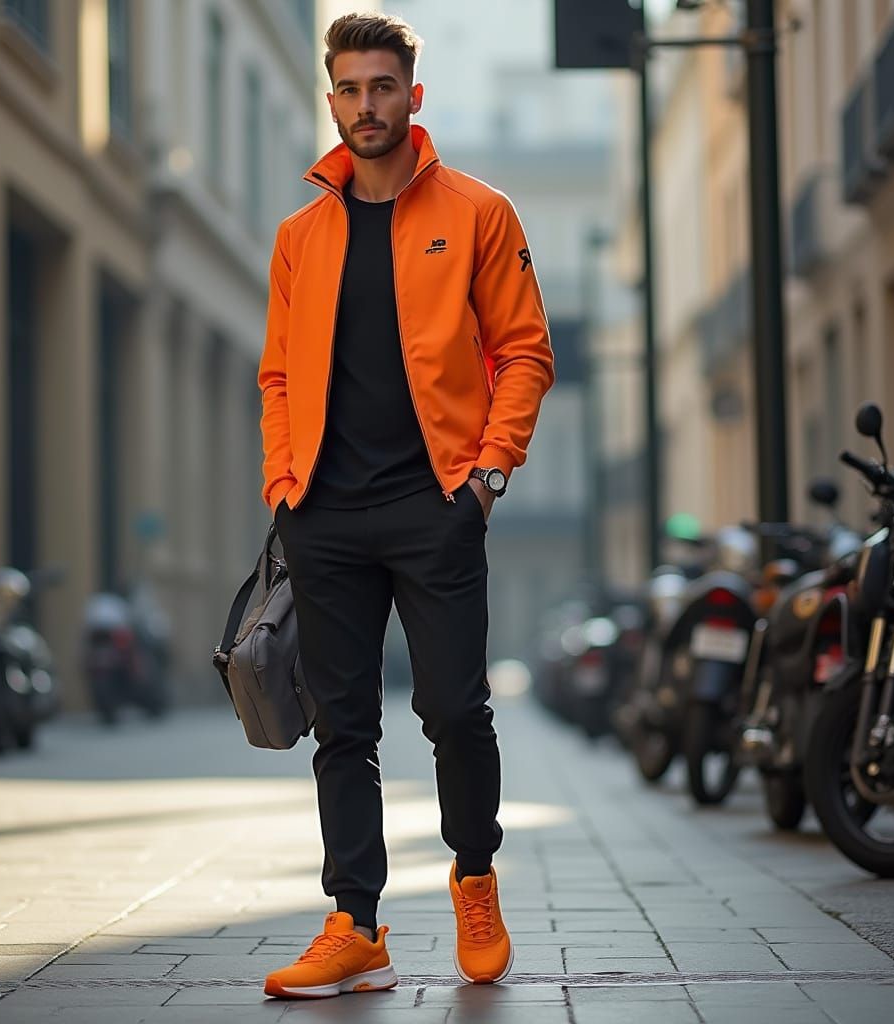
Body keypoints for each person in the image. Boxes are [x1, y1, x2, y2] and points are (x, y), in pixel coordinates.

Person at [259, 11, 554, 1000]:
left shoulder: (478, 211)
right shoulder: (299, 236)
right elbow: (276, 378)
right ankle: (357, 925)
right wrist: (282, 479)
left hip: (435, 504)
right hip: (325, 513)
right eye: (349, 89)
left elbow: (524, 352)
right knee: (341, 725)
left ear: (411, 96)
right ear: (332, 98)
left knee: (452, 709)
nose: (366, 105)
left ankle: (474, 874)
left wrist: (488, 472)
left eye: (383, 87)